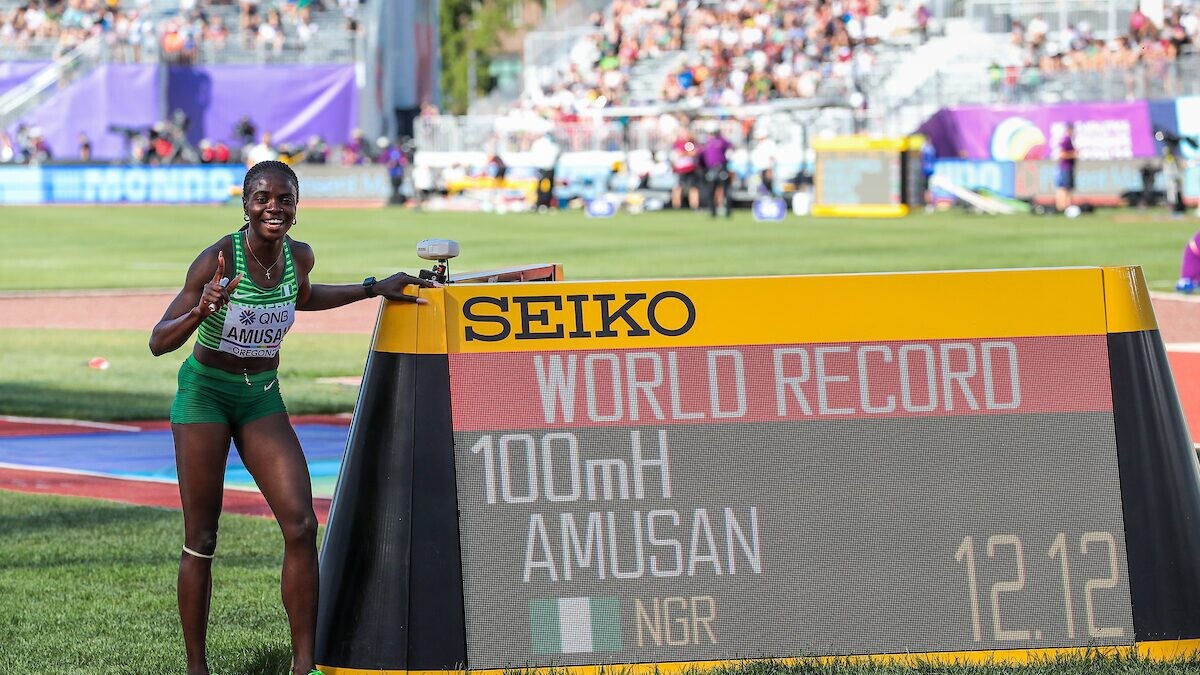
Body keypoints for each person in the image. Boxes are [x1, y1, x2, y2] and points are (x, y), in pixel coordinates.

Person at [148, 160, 440, 675]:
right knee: (202, 538)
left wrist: (373, 287)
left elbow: (306, 297)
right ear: (246, 204)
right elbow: (158, 341)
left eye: (285, 199)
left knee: (302, 525)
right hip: (206, 395)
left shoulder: (298, 257)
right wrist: (201, 310)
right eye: (262, 198)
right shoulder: (217, 259)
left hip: (261, 396)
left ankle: (304, 665)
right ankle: (197, 668)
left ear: (297, 206)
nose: (274, 208)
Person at [700, 124, 732, 218]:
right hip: (710, 168)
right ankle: (712, 211)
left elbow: (730, 148)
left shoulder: (721, 141)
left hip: (721, 167)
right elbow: (701, 154)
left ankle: (727, 211)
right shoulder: (706, 142)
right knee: (711, 190)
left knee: (725, 190)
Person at [1055, 122, 1077, 213]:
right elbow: (1062, 154)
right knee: (1064, 187)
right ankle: (1063, 207)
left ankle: (1066, 206)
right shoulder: (1066, 140)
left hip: (1067, 167)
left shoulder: (1069, 140)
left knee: (1067, 187)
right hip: (1065, 167)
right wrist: (1073, 154)